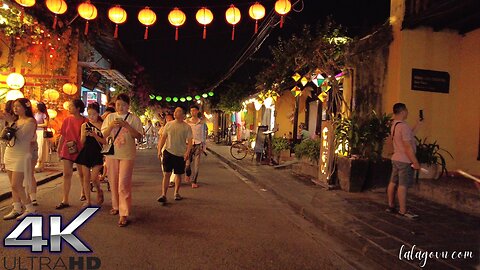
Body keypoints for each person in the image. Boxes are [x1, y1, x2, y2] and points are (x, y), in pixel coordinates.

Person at [101, 94, 143, 227]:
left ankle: (123, 213)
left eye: (124, 105)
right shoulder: (110, 117)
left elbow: (139, 136)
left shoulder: (134, 119)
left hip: (127, 155)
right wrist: (111, 126)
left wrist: (127, 126)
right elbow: (103, 134)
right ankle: (116, 206)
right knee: (113, 181)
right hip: (112, 154)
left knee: (123, 184)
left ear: (128, 106)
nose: (121, 107)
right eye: (118, 104)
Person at [3, 98, 37, 220]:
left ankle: (30, 208)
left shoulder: (30, 121)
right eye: (14, 107)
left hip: (21, 155)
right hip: (10, 153)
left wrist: (11, 123)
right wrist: (8, 124)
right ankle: (17, 207)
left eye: (18, 106)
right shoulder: (15, 121)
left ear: (26, 107)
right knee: (13, 186)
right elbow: (5, 137)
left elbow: (23, 137)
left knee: (16, 184)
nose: (15, 109)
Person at [386, 103, 421, 219]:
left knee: (393, 182)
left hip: (396, 158)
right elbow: (407, 146)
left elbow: (408, 136)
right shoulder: (404, 126)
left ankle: (391, 205)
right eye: (406, 110)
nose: (407, 112)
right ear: (403, 111)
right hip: (404, 160)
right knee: (403, 185)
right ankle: (403, 210)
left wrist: (418, 124)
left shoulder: (395, 125)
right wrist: (414, 161)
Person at [55, 99, 87, 210]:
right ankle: (65, 199)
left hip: (81, 149)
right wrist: (59, 149)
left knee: (82, 173)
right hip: (67, 148)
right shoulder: (67, 120)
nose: (69, 108)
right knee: (66, 174)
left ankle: (84, 192)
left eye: (71, 106)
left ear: (78, 108)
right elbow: (63, 135)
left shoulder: (85, 121)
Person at [157, 107, 193, 204]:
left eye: (179, 111)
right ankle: (163, 194)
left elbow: (190, 141)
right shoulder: (168, 125)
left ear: (183, 115)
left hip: (180, 154)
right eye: (175, 111)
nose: (176, 113)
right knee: (167, 174)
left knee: (178, 174)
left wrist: (187, 152)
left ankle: (176, 193)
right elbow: (163, 138)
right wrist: (159, 150)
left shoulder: (187, 127)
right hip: (168, 152)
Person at [76, 102, 106, 207]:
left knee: (94, 177)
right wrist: (84, 134)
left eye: (93, 114)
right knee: (86, 177)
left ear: (98, 113)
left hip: (98, 153)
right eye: (89, 114)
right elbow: (82, 141)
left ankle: (99, 191)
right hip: (86, 152)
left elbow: (105, 141)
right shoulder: (84, 125)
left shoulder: (103, 125)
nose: (91, 117)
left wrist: (94, 135)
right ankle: (88, 200)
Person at [185, 105, 207, 188]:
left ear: (197, 111)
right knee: (187, 164)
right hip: (188, 144)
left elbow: (203, 134)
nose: (192, 112)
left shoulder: (201, 123)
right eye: (191, 111)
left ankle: (194, 181)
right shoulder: (187, 122)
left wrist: (203, 146)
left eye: (194, 110)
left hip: (198, 144)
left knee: (197, 165)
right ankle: (188, 173)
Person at [158, 113, 175, 187]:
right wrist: (159, 148)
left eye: (170, 119)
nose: (168, 120)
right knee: (164, 164)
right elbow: (161, 138)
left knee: (174, 164)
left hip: (174, 148)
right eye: (167, 119)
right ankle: (166, 178)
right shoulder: (163, 128)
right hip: (164, 148)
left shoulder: (176, 127)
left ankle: (172, 180)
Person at [34, 102, 49, 171]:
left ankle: (40, 162)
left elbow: (46, 124)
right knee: (36, 147)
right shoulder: (35, 114)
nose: (35, 108)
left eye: (37, 107)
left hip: (41, 132)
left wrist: (37, 125)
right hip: (35, 132)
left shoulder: (44, 115)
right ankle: (37, 162)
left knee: (40, 147)